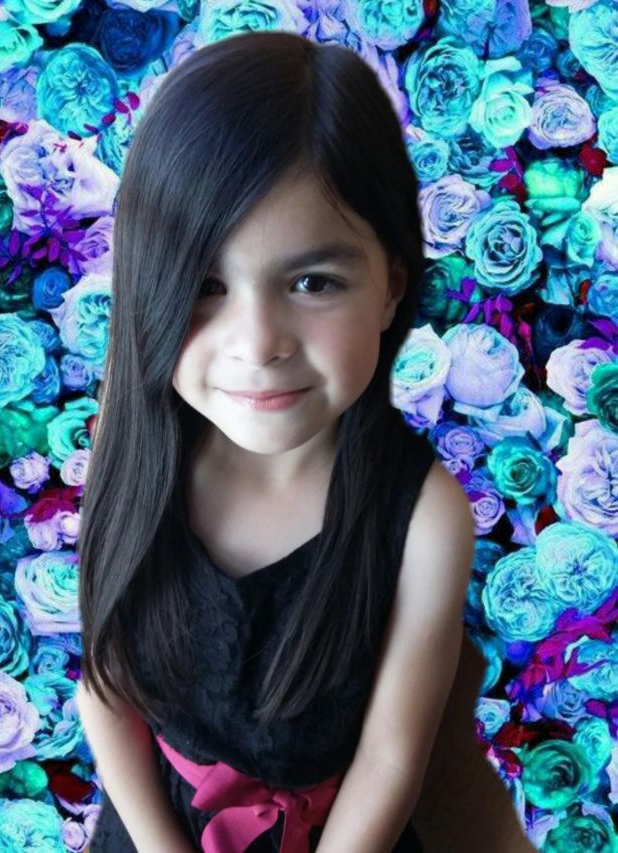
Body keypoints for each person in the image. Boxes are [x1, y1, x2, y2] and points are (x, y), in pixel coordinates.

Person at [76, 30, 476, 853]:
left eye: (312, 282)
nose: (258, 343)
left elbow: (391, 758)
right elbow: (106, 688)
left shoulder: (426, 518)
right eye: (205, 284)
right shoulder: (139, 446)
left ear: (391, 286)